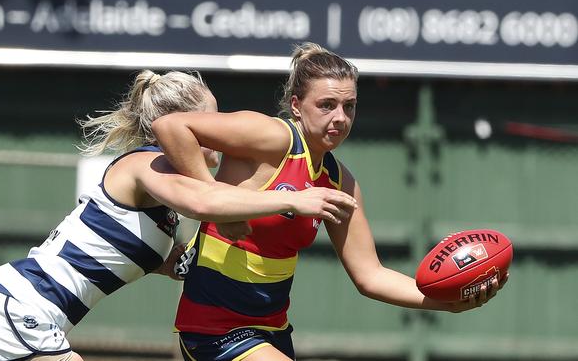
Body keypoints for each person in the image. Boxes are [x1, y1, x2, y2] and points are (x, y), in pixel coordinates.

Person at [0, 69, 358, 361]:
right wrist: (292, 200)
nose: (219, 132)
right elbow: (205, 203)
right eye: (211, 120)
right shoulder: (147, 165)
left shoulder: (164, 198)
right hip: (27, 308)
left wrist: (197, 260)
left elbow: (163, 255)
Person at [151, 43, 509, 361]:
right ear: (296, 105)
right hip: (215, 328)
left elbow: (370, 276)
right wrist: (214, 202)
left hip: (272, 332)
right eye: (327, 105)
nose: (340, 117)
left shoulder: (340, 181)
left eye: (348, 106)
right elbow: (171, 127)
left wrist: (447, 304)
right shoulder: (271, 136)